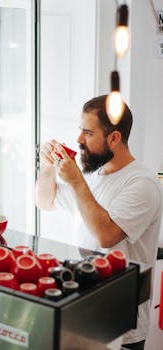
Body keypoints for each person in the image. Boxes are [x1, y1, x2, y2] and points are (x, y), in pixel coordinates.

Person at [35, 95, 163, 350]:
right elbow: (45, 201)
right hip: (84, 312)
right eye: (79, 131)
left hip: (122, 323)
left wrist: (76, 181)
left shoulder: (143, 184)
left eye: (88, 133)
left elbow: (106, 235)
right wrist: (47, 167)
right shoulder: (92, 175)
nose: (79, 140)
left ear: (114, 138)